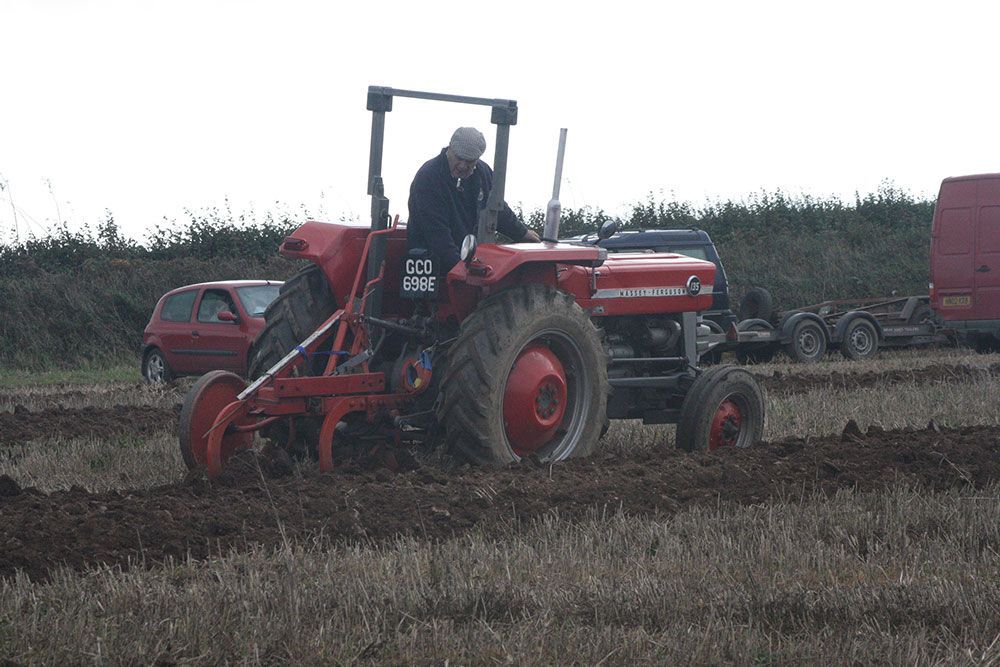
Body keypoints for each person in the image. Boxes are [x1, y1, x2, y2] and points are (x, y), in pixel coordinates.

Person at [407, 127, 541, 270]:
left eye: (469, 161)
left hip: (467, 256)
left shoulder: (482, 173)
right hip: (430, 260)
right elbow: (436, 234)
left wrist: (522, 233)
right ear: (449, 149)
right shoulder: (429, 178)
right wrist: (461, 268)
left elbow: (496, 209)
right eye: (459, 158)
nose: (463, 166)